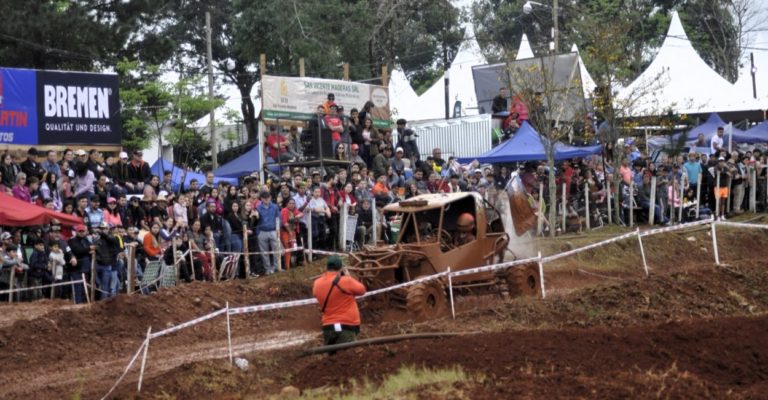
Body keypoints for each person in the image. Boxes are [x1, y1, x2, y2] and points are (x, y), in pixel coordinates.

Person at [312, 255, 366, 348]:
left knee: (332, 360)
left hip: (328, 327)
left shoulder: (317, 283)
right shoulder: (346, 281)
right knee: (346, 358)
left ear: (326, 267)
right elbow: (362, 290)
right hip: (347, 326)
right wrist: (348, 276)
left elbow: (316, 294)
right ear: (340, 269)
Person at [256, 191, 280, 274]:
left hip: (273, 230)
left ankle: (277, 267)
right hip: (262, 231)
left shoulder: (275, 207)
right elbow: (256, 221)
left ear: (270, 197)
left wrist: (278, 230)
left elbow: (278, 218)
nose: (266, 200)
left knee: (276, 250)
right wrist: (258, 232)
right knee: (264, 252)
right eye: (264, 198)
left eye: (268, 198)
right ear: (262, 199)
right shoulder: (258, 208)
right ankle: (267, 269)